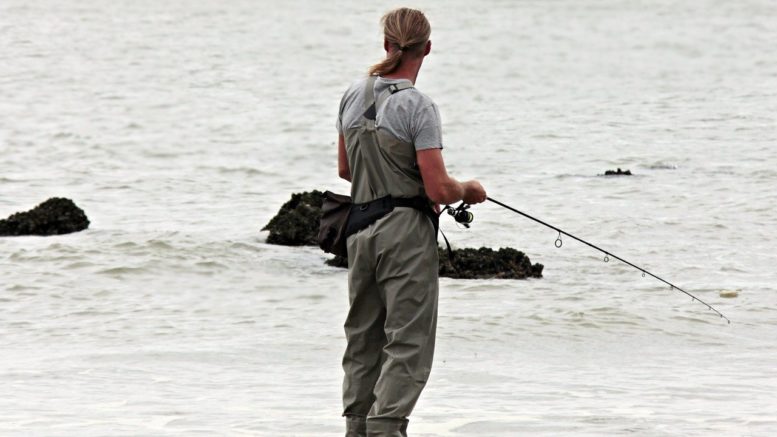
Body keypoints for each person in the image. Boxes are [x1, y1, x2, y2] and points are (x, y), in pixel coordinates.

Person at [335, 7, 487, 437]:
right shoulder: (419, 106)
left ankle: (357, 428)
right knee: (408, 342)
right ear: (427, 49)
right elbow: (439, 189)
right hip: (405, 234)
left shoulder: (352, 95)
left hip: (360, 230)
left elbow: (346, 170)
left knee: (363, 338)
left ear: (387, 44)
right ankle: (386, 428)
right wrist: (469, 190)